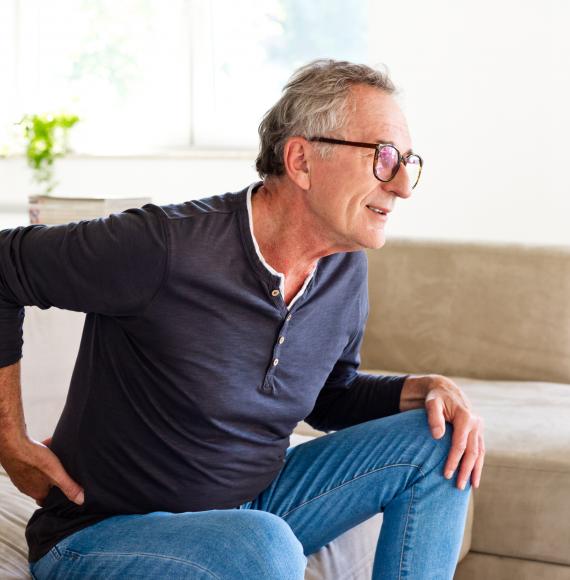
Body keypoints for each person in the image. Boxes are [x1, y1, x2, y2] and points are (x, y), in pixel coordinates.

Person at [0, 59, 485, 579]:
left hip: (251, 510)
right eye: (384, 157)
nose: (403, 186)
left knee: (440, 442)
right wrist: (10, 440)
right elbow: (5, 265)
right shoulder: (163, 246)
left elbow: (328, 395)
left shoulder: (345, 269)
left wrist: (423, 388)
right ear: (301, 160)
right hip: (105, 533)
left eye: (408, 161)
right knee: (263, 545)